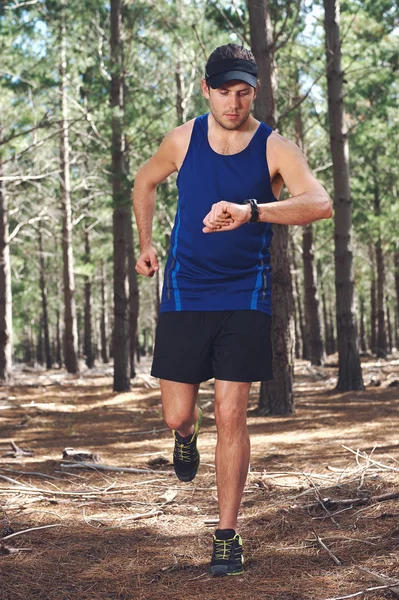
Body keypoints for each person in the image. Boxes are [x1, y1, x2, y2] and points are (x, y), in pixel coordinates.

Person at [133, 43, 332, 576]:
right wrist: (147, 244)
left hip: (246, 293)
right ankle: (183, 434)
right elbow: (144, 181)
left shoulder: (275, 148)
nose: (235, 103)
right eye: (225, 93)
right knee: (178, 412)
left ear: (254, 92)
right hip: (185, 290)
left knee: (232, 414)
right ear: (206, 90)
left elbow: (320, 202)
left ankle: (226, 535)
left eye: (244, 93)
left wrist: (252, 211)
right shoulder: (181, 140)